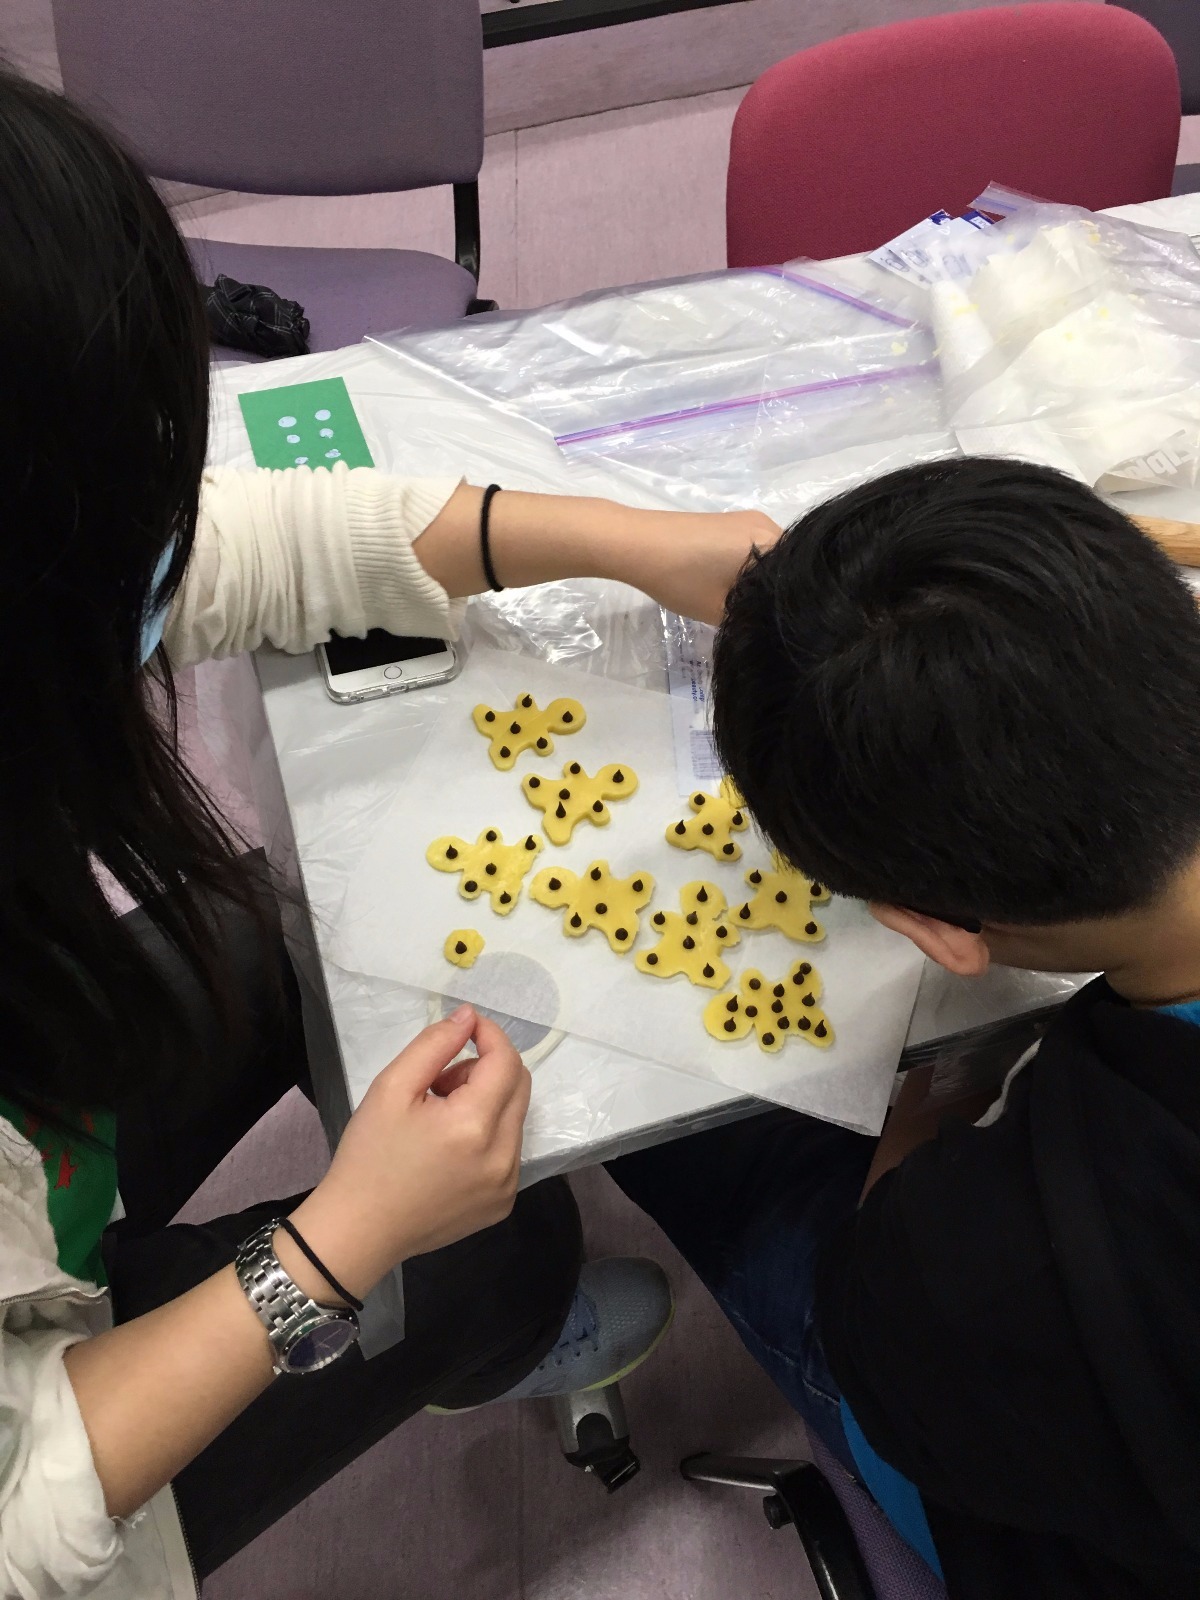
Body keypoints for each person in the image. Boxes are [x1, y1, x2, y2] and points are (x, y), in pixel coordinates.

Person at [0, 70, 779, 1599]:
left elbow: (239, 544)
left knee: (270, 930)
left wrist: (631, 542)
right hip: (47, 1483)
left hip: (34, 1151)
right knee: (489, 1242)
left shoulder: (53, 580)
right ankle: (492, 1320)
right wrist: (340, 1242)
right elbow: (23, 1515)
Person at [611, 456, 1200, 1599]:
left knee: (694, 1124)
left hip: (1071, 1521)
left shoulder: (996, 1265)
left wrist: (926, 1105)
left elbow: (889, 1274)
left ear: (938, 932)